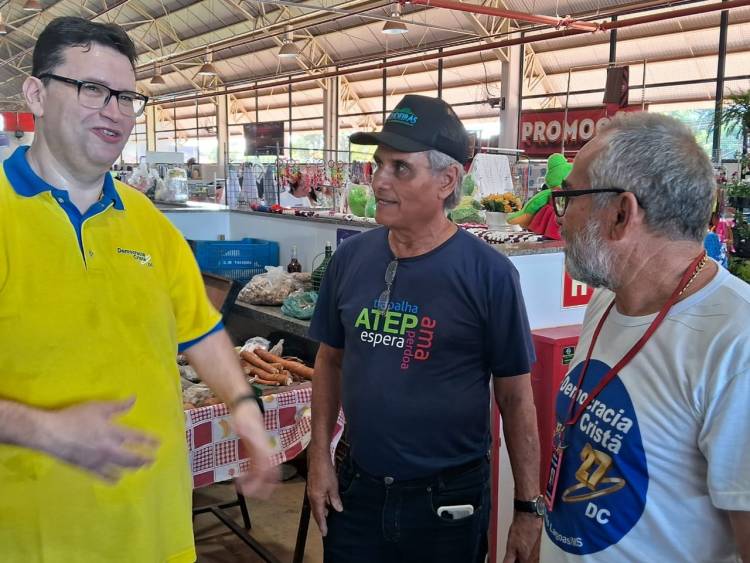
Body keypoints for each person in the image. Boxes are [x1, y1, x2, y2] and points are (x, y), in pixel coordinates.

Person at [0, 17, 276, 562]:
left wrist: (243, 406)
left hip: (156, 534)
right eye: (92, 89)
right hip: (32, 537)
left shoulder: (148, 221)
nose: (115, 112)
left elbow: (200, 327)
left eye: (126, 97)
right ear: (36, 92)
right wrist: (40, 429)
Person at [307, 94, 542, 563]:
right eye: (377, 165)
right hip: (357, 485)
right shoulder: (352, 258)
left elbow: (515, 397)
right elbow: (329, 360)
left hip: (447, 500)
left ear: (447, 180)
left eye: (400, 168)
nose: (378, 181)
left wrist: (527, 508)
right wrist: (319, 457)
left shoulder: (489, 275)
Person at [542, 112, 750, 562]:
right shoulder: (606, 300)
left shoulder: (737, 342)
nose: (560, 217)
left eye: (569, 197)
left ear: (621, 213)